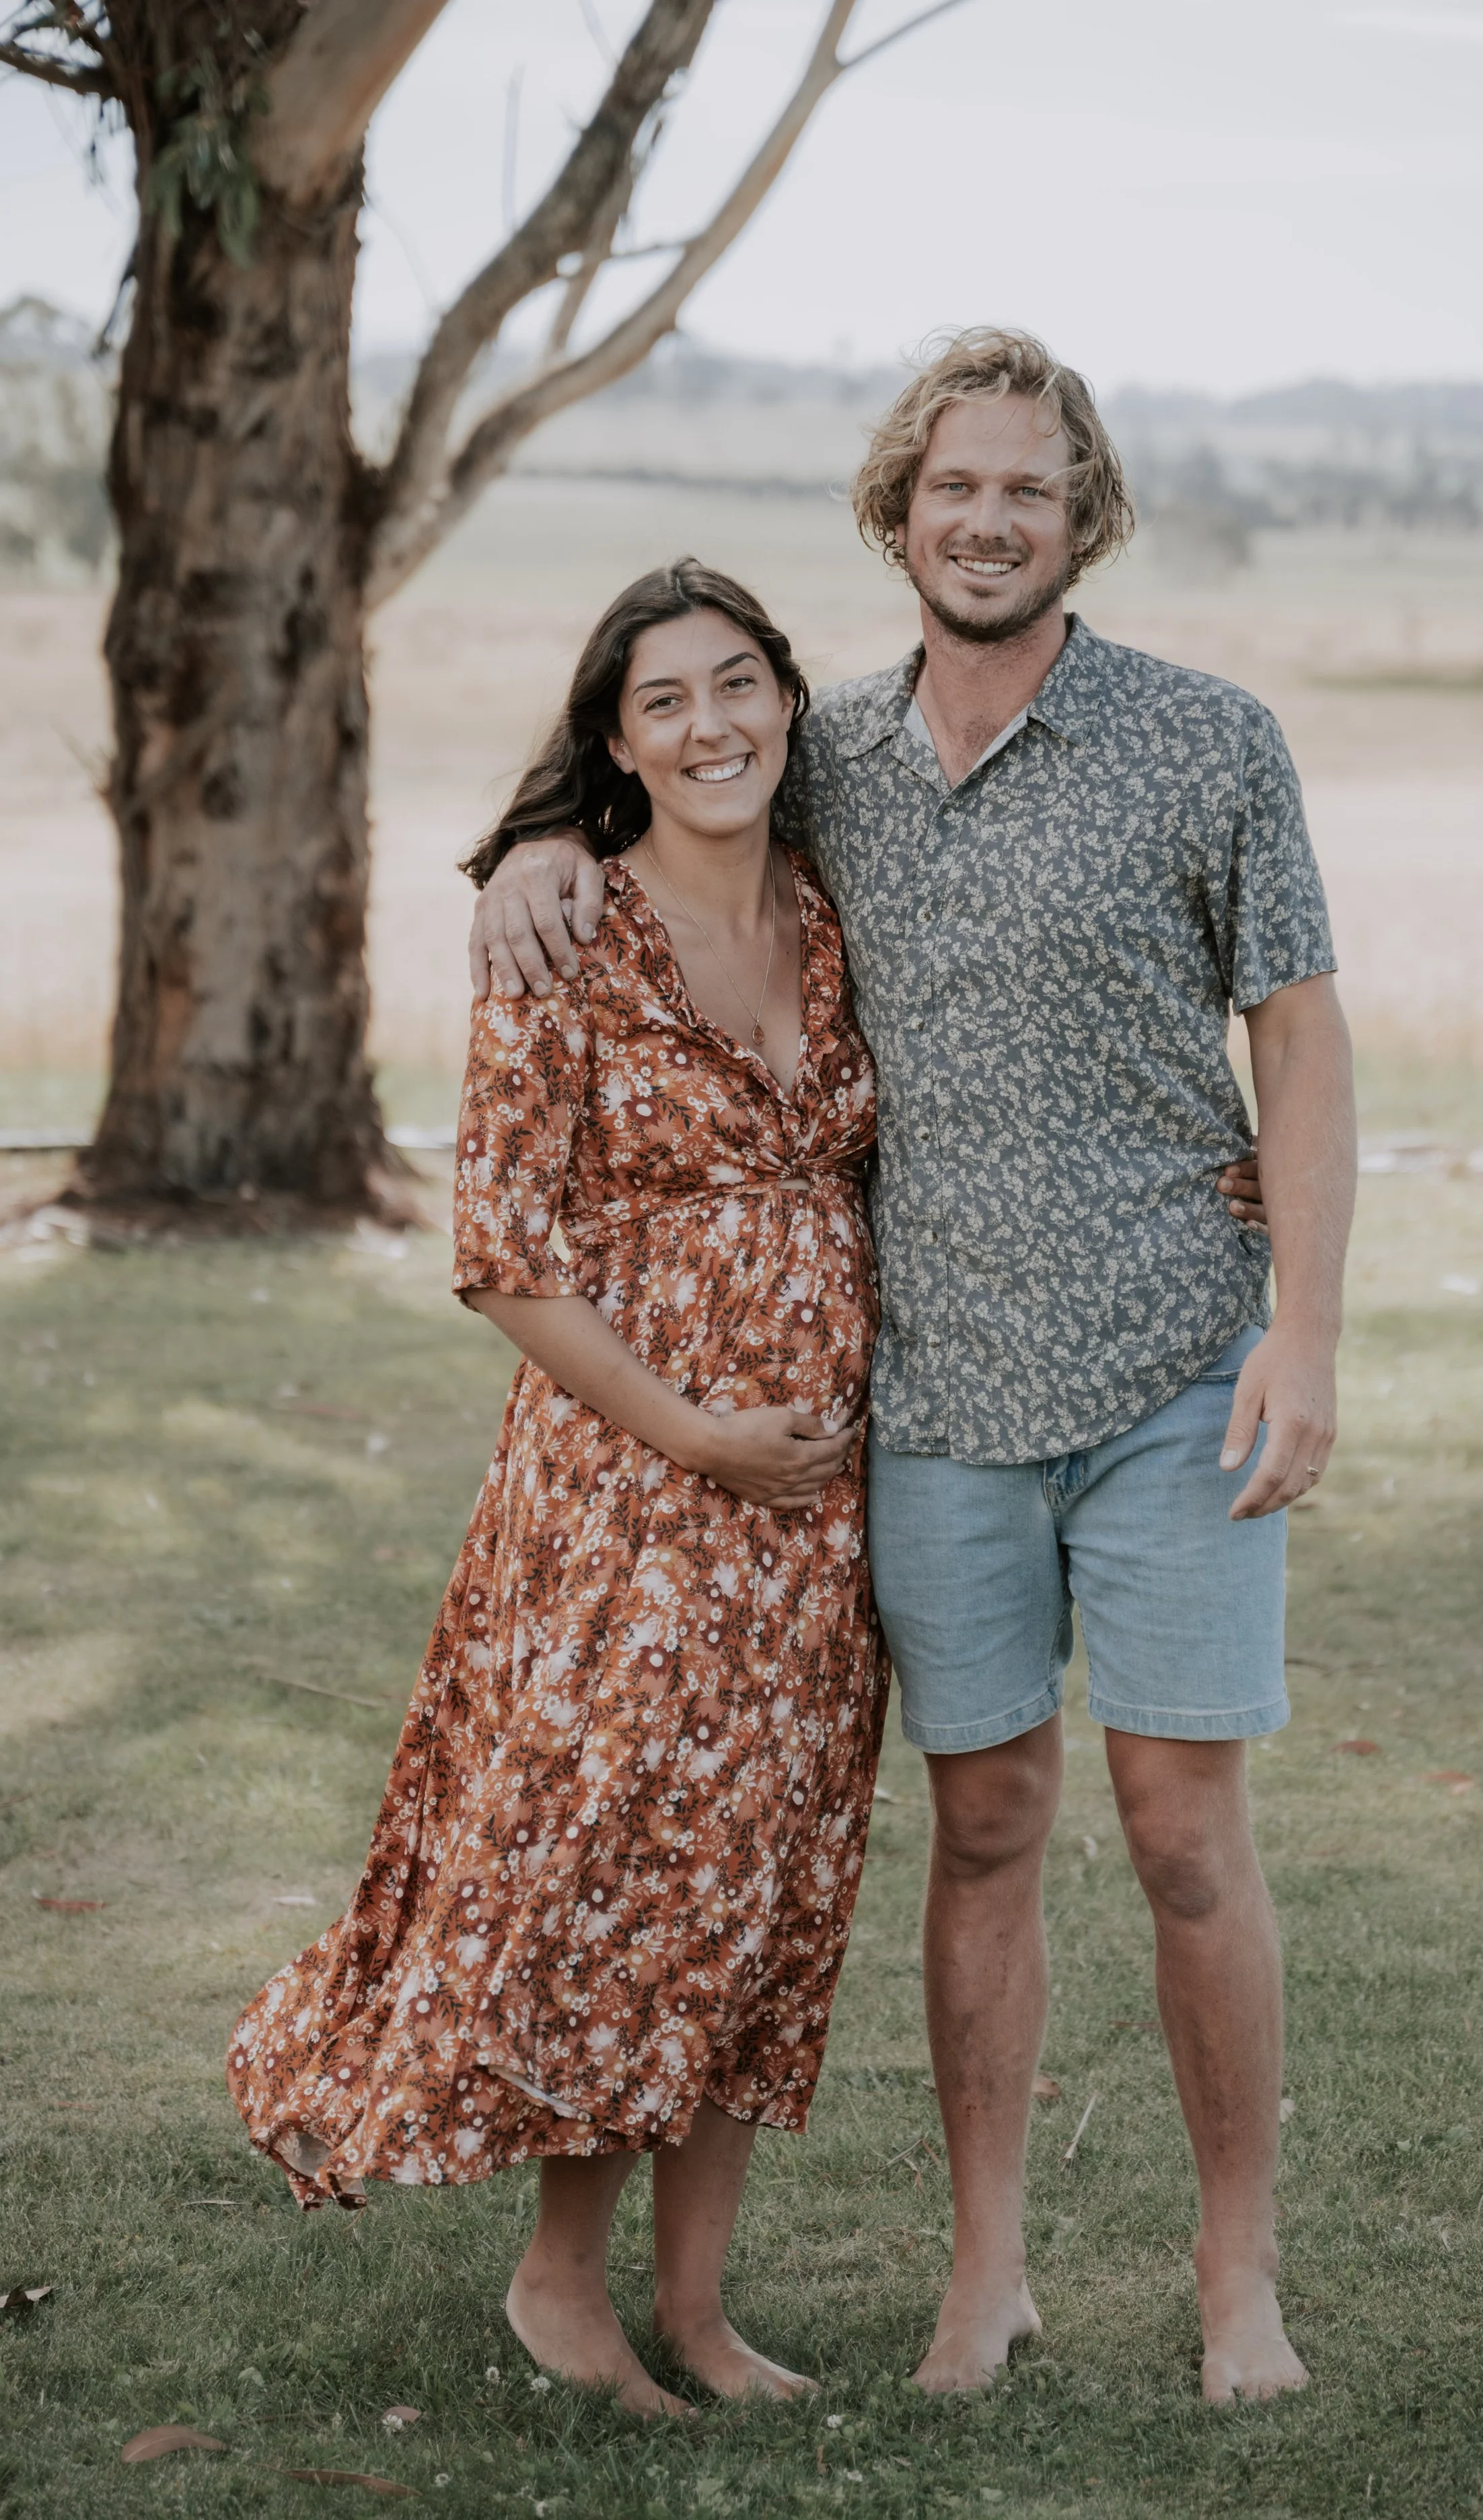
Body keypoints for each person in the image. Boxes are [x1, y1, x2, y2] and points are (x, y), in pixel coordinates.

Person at [470, 329, 1359, 2406]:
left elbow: (1299, 1043)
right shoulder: (826, 754)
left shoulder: (1208, 743)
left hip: (1172, 1372)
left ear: (1081, 517)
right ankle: (987, 2279)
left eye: (1028, 490)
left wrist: (1303, 1330)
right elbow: (649, 805)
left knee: (1180, 1832)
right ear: (896, 511)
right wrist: (530, 850)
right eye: (953, 486)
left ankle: (1237, 2282)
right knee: (979, 1830)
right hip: (930, 1407)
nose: (987, 519)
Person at [227, 561, 890, 2417]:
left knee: (758, 1882)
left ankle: (698, 2306)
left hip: (818, 1515)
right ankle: (558, 2285)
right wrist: (694, 1433)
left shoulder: (837, 915)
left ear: (785, 700)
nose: (710, 725)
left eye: (738, 682)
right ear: (611, 741)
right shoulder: (561, 936)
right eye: (662, 699)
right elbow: (507, 1252)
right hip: (633, 1500)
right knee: (606, 1871)